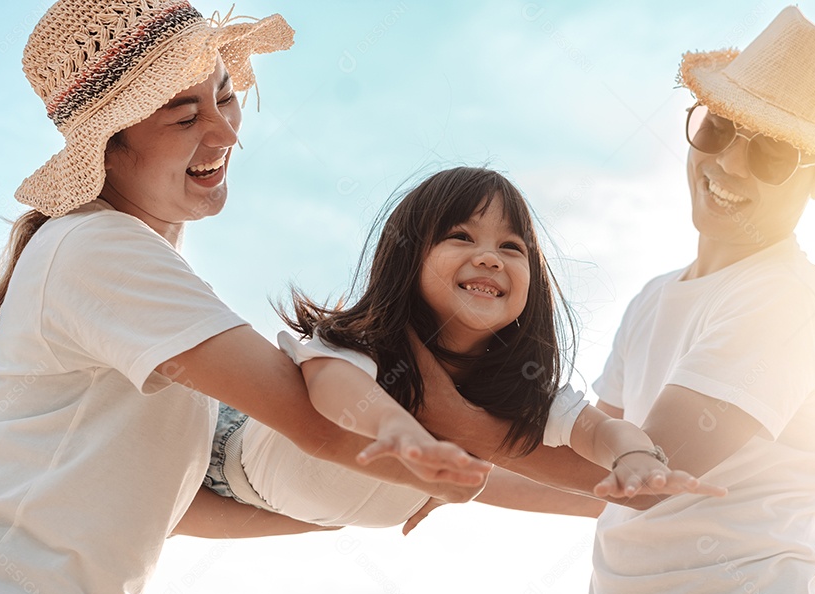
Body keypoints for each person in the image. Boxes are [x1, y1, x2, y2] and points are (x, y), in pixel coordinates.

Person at [0, 2, 492, 594]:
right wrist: (437, 466)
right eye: (184, 116)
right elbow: (310, 418)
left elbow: (168, 496)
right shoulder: (98, 248)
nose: (226, 133)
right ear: (108, 152)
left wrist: (347, 503)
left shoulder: (128, 269)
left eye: (224, 96)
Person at [201, 167, 726, 533]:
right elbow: (334, 386)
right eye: (461, 236)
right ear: (407, 257)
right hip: (216, 450)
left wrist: (634, 457)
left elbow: (596, 430)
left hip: (295, 510)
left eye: (511, 247)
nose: (490, 258)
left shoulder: (521, 391)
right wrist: (403, 432)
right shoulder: (369, 343)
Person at [584, 7, 815, 594]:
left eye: (773, 153)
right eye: (717, 129)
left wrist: (442, 444)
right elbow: (591, 469)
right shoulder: (652, 298)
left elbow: (647, 476)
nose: (728, 163)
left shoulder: (785, 299)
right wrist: (448, 477)